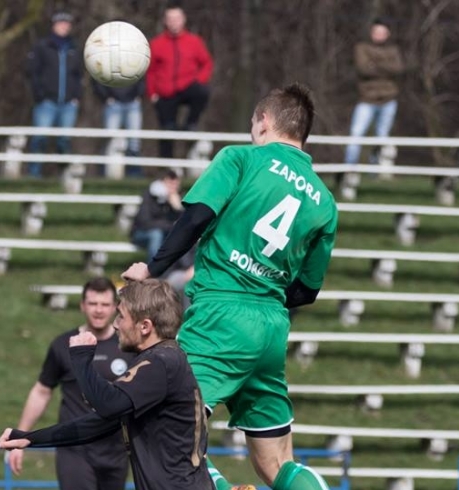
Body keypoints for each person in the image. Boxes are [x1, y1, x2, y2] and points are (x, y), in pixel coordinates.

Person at [122, 83, 338, 490]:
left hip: (220, 314)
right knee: (276, 463)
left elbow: (195, 218)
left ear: (264, 121)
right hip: (272, 324)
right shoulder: (325, 201)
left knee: (162, 425)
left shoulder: (240, 158)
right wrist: (264, 290)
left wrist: (151, 269)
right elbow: (307, 290)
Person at [0, 279, 212, 490]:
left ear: (145, 326)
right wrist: (30, 438)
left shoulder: (161, 362)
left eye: (121, 316)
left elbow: (108, 404)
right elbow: (98, 423)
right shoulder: (161, 360)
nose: (116, 324)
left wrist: (81, 358)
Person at [7, 277, 135, 490]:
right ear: (82, 305)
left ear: (115, 307)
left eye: (104, 304)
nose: (99, 310)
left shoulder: (127, 346)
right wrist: (21, 436)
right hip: (75, 449)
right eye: (93, 304)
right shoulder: (63, 344)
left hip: (116, 449)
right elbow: (42, 391)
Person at [146, 6, 214, 158]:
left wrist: (199, 79)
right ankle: (166, 168)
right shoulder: (157, 44)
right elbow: (150, 71)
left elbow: (206, 63)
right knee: (167, 130)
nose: (173, 23)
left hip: (187, 85)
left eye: (176, 19)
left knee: (202, 92)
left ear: (183, 20)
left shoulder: (194, 41)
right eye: (170, 19)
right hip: (165, 91)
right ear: (165, 21)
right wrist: (152, 93)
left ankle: (191, 123)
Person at [26, 11, 84, 177]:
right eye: (61, 23)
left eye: (67, 23)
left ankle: (64, 176)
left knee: (64, 141)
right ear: (54, 25)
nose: (64, 26)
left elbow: (79, 75)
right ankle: (34, 174)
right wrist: (40, 94)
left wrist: (76, 96)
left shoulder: (74, 48)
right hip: (47, 102)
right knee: (40, 139)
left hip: (68, 103)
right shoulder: (42, 46)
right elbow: (32, 72)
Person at [344, 17, 405, 165]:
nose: (379, 35)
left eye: (382, 32)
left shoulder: (394, 50)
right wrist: (385, 65)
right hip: (366, 99)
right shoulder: (361, 48)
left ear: (388, 34)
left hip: (389, 100)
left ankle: (376, 168)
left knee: (382, 137)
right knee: (356, 134)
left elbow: (398, 69)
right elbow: (364, 69)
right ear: (371, 32)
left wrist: (375, 64)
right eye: (376, 32)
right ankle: (349, 167)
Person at [130, 169, 184, 261]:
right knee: (156, 235)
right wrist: (170, 225)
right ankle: (152, 271)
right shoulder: (150, 195)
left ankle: (180, 270)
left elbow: (184, 223)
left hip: (166, 233)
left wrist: (178, 209)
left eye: (175, 184)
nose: (173, 187)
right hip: (141, 233)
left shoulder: (178, 198)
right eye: (170, 183)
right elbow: (145, 222)